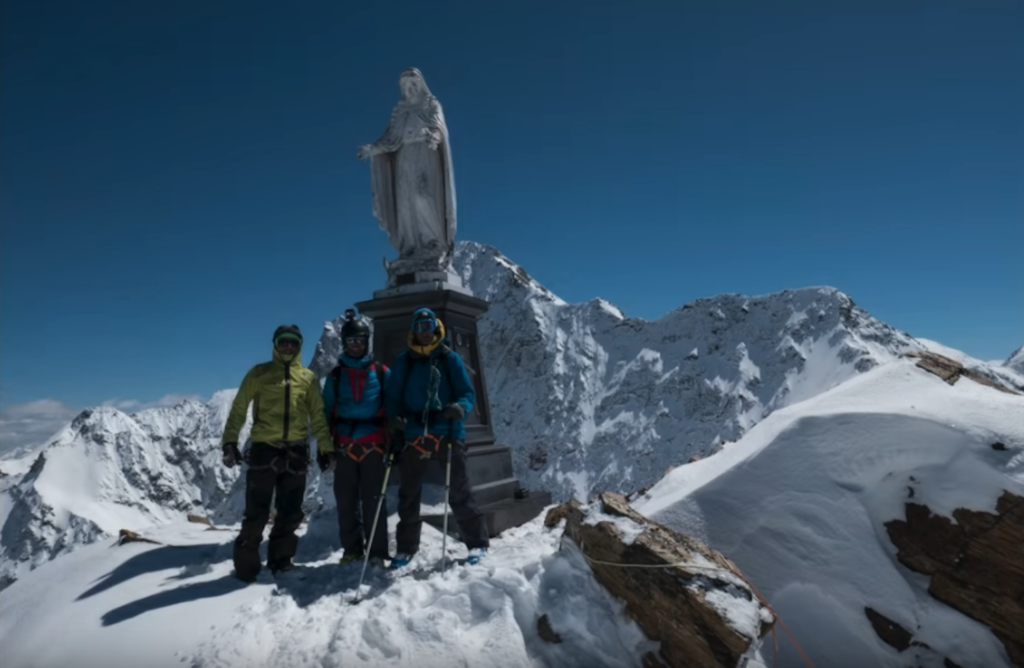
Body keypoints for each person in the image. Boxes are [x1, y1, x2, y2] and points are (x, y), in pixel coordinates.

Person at [221, 324, 334, 583]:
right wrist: (230, 441)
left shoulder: (307, 378)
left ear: (299, 346)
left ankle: (281, 562)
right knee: (256, 512)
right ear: (275, 344)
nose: (288, 347)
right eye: (284, 342)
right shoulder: (259, 374)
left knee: (290, 512)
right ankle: (246, 569)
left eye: (293, 343)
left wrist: (326, 449)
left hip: (296, 450)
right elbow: (239, 408)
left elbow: (317, 416)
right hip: (263, 449)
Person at [385, 308, 489, 569]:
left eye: (428, 326)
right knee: (409, 493)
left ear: (436, 328)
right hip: (414, 432)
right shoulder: (404, 362)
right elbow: (393, 397)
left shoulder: (449, 359)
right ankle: (406, 549)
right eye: (419, 327)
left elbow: (467, 392)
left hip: (447, 429)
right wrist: (394, 418)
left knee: (459, 489)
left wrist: (460, 409)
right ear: (414, 331)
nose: (424, 332)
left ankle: (477, 543)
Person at [320, 309, 392, 569]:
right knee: (346, 503)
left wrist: (394, 438)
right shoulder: (335, 377)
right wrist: (325, 448)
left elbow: (393, 409)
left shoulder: (382, 373)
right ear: (344, 343)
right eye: (351, 341)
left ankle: (377, 551)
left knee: (374, 502)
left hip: (374, 444)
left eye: (359, 341)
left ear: (366, 342)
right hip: (344, 446)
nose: (355, 345)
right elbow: (325, 413)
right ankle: (352, 550)